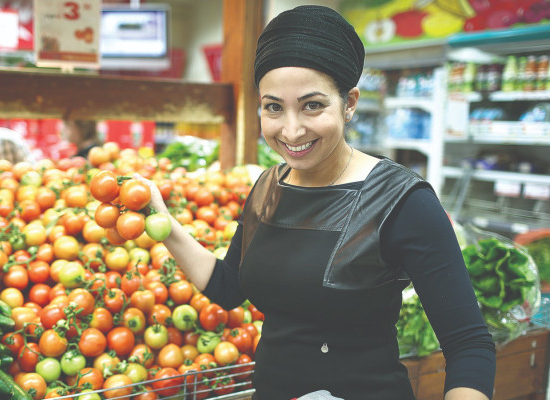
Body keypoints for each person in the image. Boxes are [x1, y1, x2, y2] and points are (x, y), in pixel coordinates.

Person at [136, 6, 496, 400]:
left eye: (312, 105)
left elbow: (469, 346)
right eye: (273, 107)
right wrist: (164, 224)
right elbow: (228, 286)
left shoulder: (402, 200)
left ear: (350, 103)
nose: (291, 130)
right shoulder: (268, 187)